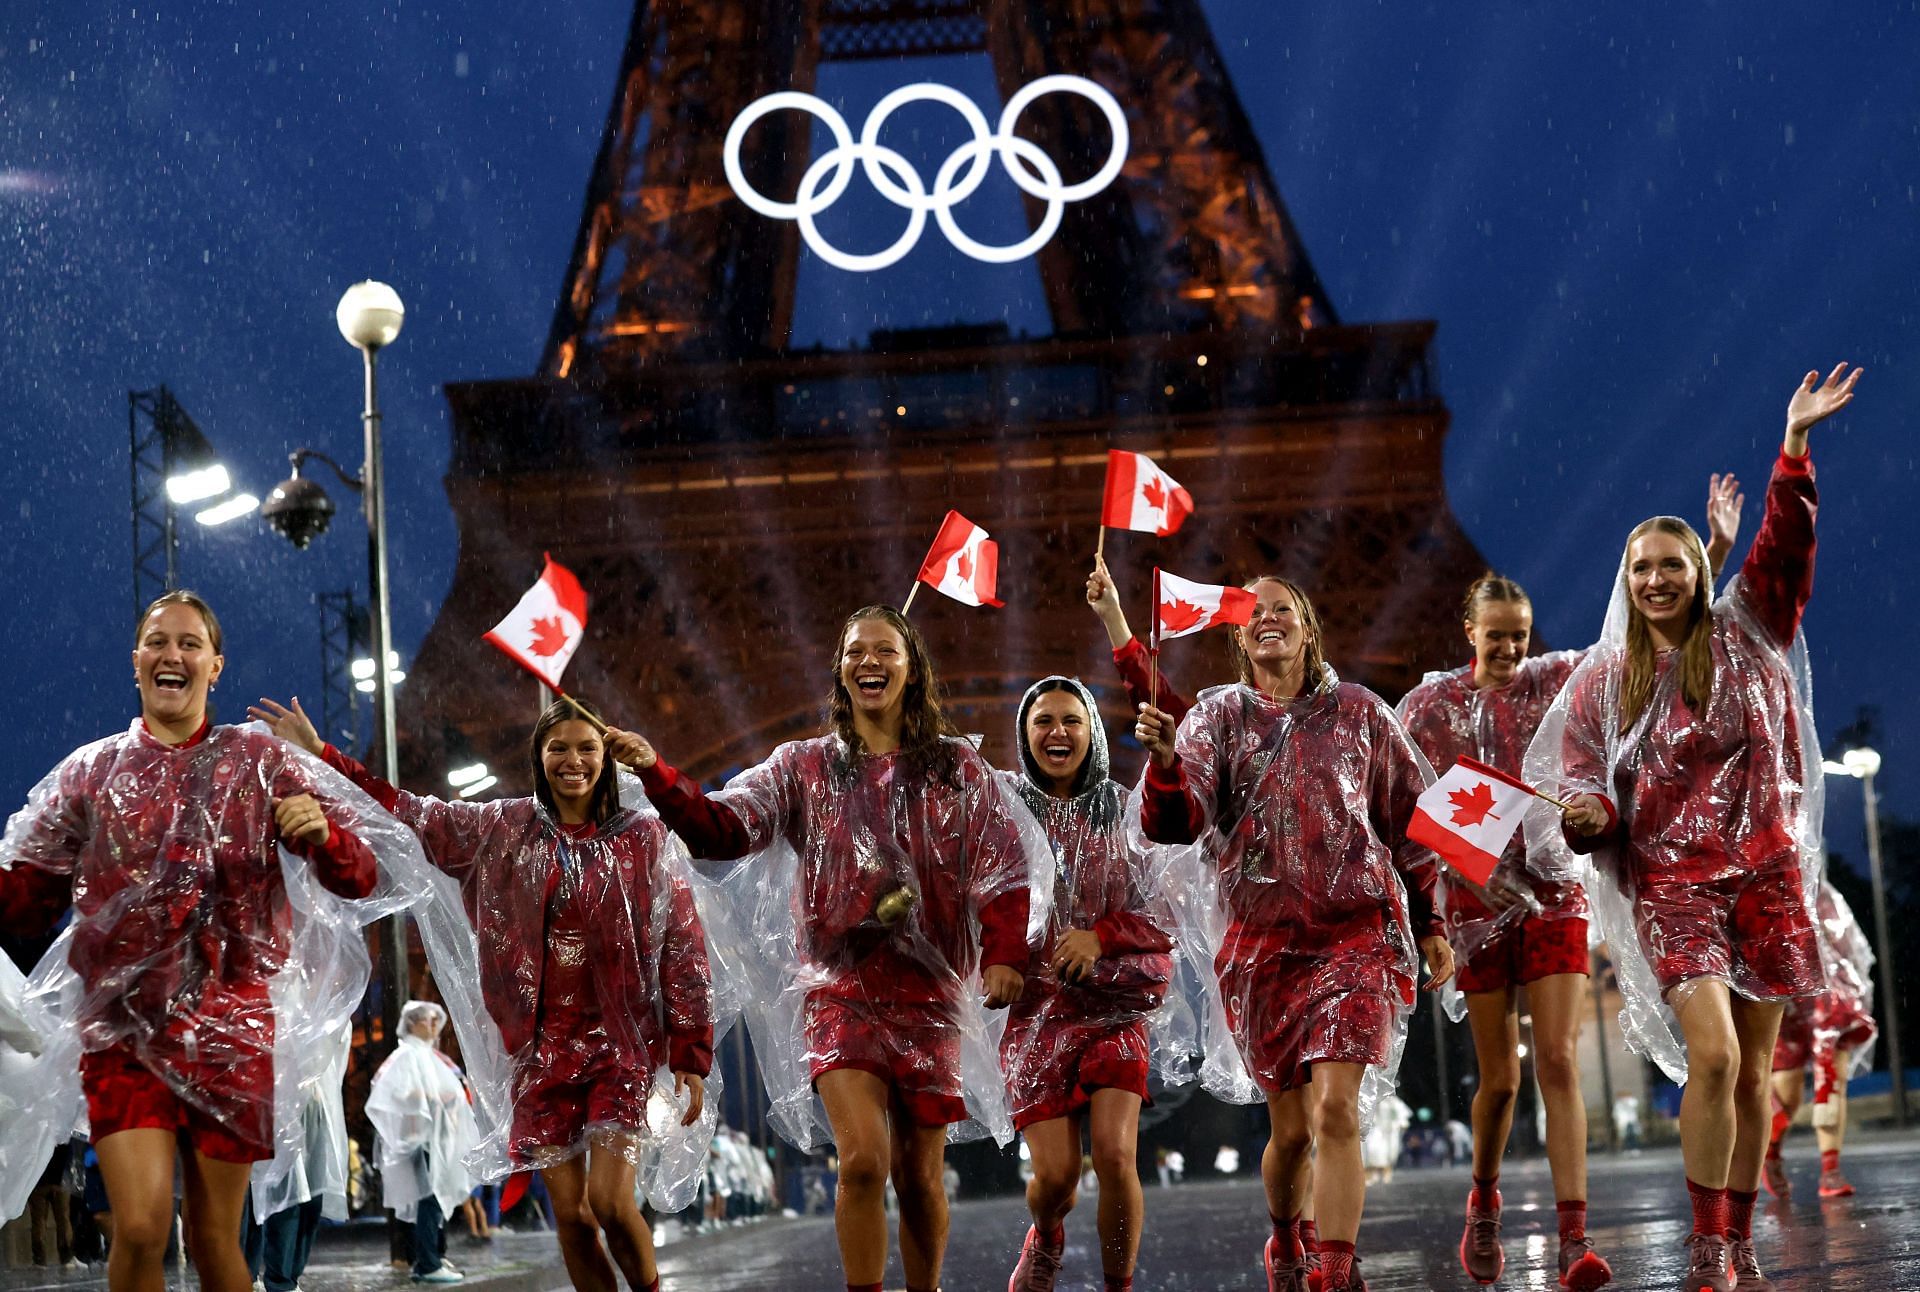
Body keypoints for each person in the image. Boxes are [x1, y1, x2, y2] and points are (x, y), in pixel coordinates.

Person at [1538, 362, 1862, 1292]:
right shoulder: (1604, 681)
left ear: (1698, 572)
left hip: (1763, 877)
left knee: (1755, 1071)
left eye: (1670, 564)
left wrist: (1793, 448)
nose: (1653, 579)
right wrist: (1590, 816)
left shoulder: (1749, 623)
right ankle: (1708, 1240)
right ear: (1624, 581)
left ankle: (1744, 1231)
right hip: (1676, 892)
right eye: (1638, 567)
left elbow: (1786, 548)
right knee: (1714, 1056)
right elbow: (1580, 787)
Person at [627, 605, 1042, 1292]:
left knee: (918, 1175)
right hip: (839, 991)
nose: (869, 661)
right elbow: (724, 829)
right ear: (840, 670)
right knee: (861, 1162)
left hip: (929, 996)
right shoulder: (803, 767)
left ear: (913, 670)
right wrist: (658, 775)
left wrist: (1004, 953)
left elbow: (1002, 865)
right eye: (855, 651)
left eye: (886, 650)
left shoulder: (957, 769)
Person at [250, 694, 714, 1292]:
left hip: (621, 1048)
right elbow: (406, 811)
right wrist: (323, 754)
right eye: (558, 748)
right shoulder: (501, 828)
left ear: (609, 756)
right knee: (570, 1219)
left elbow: (683, 941)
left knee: (610, 1203)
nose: (572, 761)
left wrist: (690, 1052)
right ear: (538, 757)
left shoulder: (644, 837)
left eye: (587, 748)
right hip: (539, 1053)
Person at [0, 591, 381, 1292]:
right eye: (156, 642)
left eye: (188, 643)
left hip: (231, 1036)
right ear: (136, 661)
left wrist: (324, 836)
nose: (171, 654)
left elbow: (359, 877)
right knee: (141, 1230)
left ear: (215, 666)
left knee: (214, 1239)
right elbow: (26, 904)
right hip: (122, 1035)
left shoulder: (264, 764)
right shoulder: (89, 775)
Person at [1135, 575, 1454, 1292]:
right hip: (1261, 950)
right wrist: (1162, 766)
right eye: (1254, 612)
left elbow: (1415, 823)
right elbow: (1176, 825)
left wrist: (1431, 921)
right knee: (1292, 1134)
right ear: (1238, 637)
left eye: (1283, 609)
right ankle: (1286, 1234)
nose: (1268, 618)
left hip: (1355, 938)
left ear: (1308, 630)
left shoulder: (1362, 714)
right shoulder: (1214, 721)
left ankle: (1336, 1270)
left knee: (1337, 1109)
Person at [998, 675, 1179, 1292]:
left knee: (1116, 1154)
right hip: (1036, 1011)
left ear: (1093, 733)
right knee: (1055, 1181)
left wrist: (1101, 936)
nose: (1057, 732)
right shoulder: (1004, 818)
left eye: (1071, 720)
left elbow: (1164, 911)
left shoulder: (1126, 814)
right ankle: (1046, 1234)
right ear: (1024, 734)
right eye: (1043, 720)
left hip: (1115, 1005)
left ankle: (1117, 1286)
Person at [1765, 878, 1878, 1200]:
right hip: (1782, 992)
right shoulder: (1756, 874)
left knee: (1832, 1078)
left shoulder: (1818, 887)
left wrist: (1852, 983)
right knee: (1787, 1092)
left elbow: (1846, 940)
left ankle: (1831, 1170)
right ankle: (1771, 1151)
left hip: (1827, 990)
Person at [370, 1002, 478, 1284]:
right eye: (427, 1020)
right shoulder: (406, 1056)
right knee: (430, 1199)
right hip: (422, 1142)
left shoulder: (431, 1057)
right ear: (412, 1023)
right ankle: (427, 1263)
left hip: (439, 1142)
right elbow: (392, 1093)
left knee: (437, 1199)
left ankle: (434, 1255)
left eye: (434, 1020)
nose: (433, 1025)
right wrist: (434, 1098)